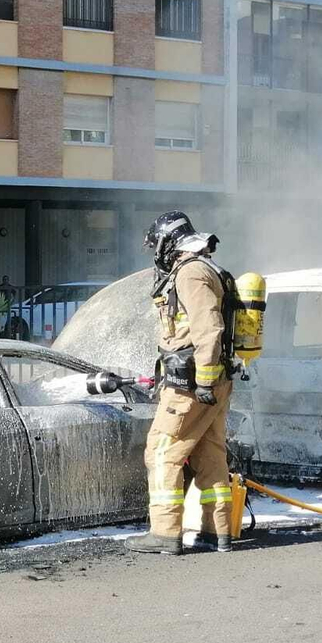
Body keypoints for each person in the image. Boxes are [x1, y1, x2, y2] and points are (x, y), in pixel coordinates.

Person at [125, 211, 237, 555]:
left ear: (168, 243)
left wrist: (201, 380)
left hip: (191, 385)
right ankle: (216, 531)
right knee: (209, 454)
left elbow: (209, 328)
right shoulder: (208, 269)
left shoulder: (189, 274)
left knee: (161, 452)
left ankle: (165, 532)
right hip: (213, 381)